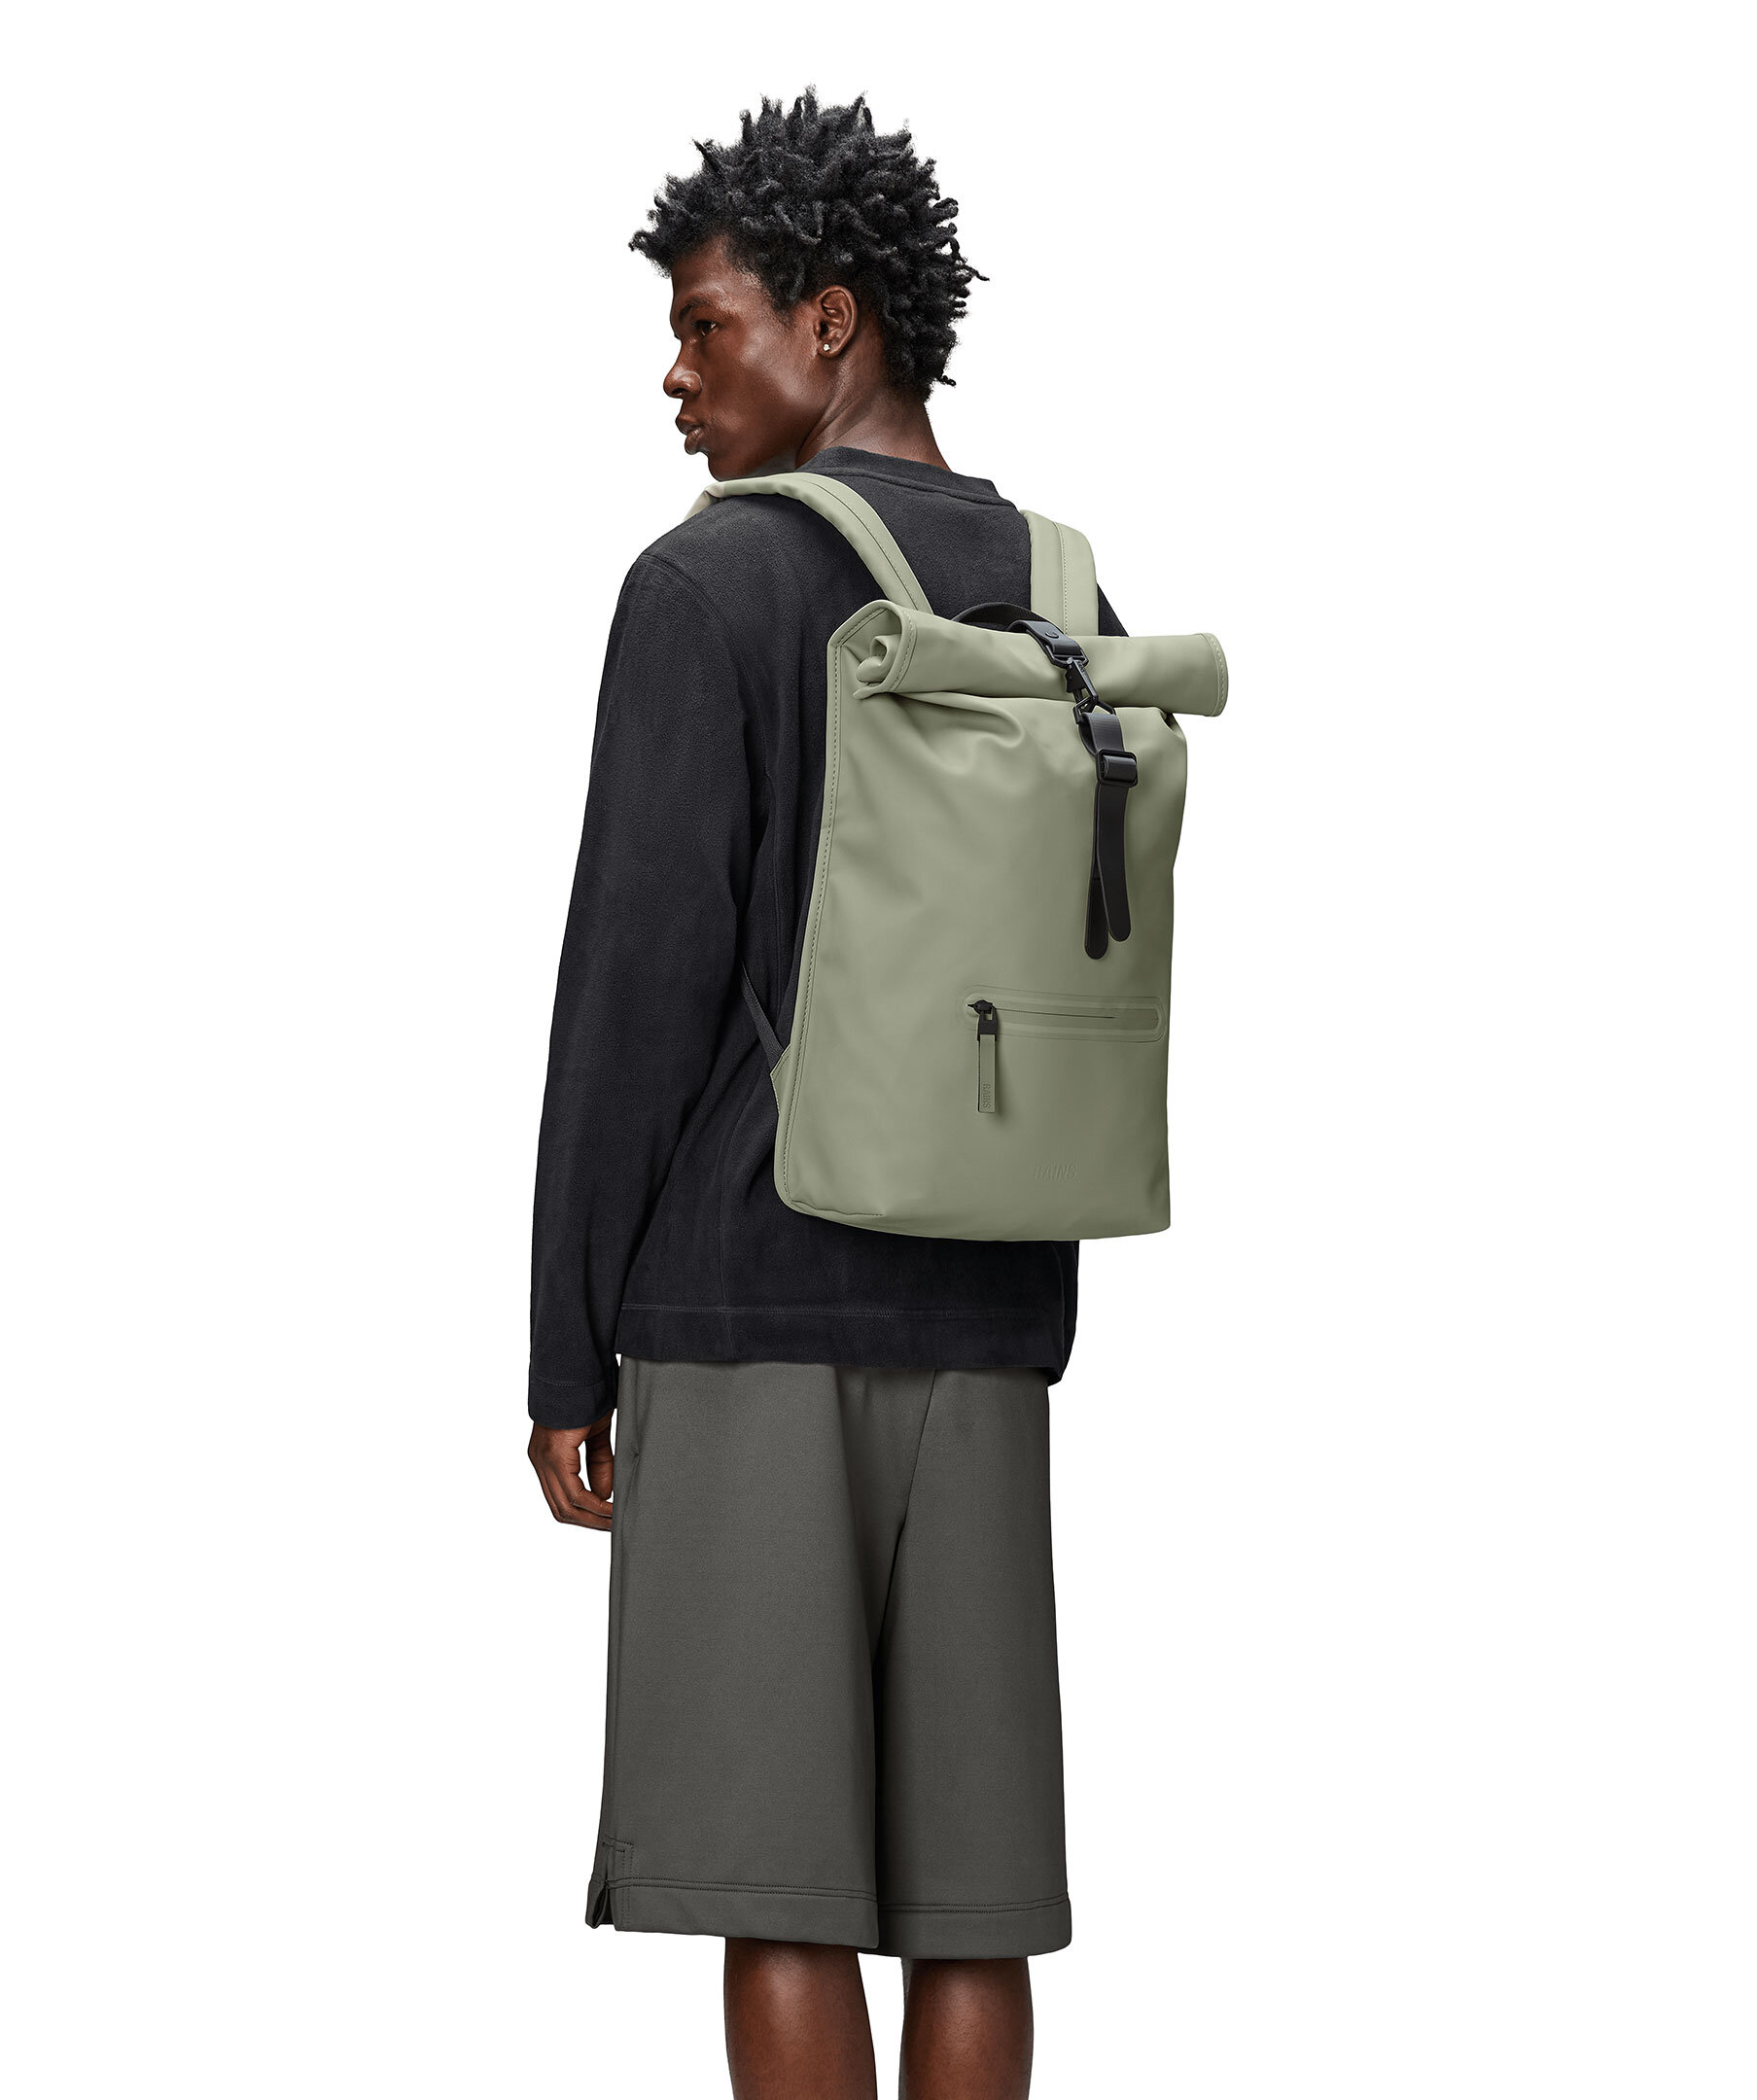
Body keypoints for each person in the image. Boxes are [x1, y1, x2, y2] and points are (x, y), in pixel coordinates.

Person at [527, 92, 1125, 2100]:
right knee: (971, 1902)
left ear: (831, 320)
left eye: (708, 327)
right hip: (991, 1305)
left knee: (777, 1884)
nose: (678, 375)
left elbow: (632, 994)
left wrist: (565, 1350)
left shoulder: (708, 587)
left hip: (744, 1307)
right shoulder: (1065, 595)